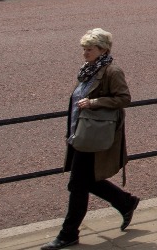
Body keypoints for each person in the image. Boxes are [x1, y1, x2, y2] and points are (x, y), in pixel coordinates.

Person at [40, 29, 139, 249]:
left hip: (94, 135)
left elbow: (124, 98)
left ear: (103, 50)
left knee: (78, 184)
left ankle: (68, 234)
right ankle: (126, 202)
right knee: (87, 180)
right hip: (81, 133)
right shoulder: (88, 70)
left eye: (89, 49)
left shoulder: (112, 71)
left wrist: (95, 103)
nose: (84, 52)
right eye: (83, 48)